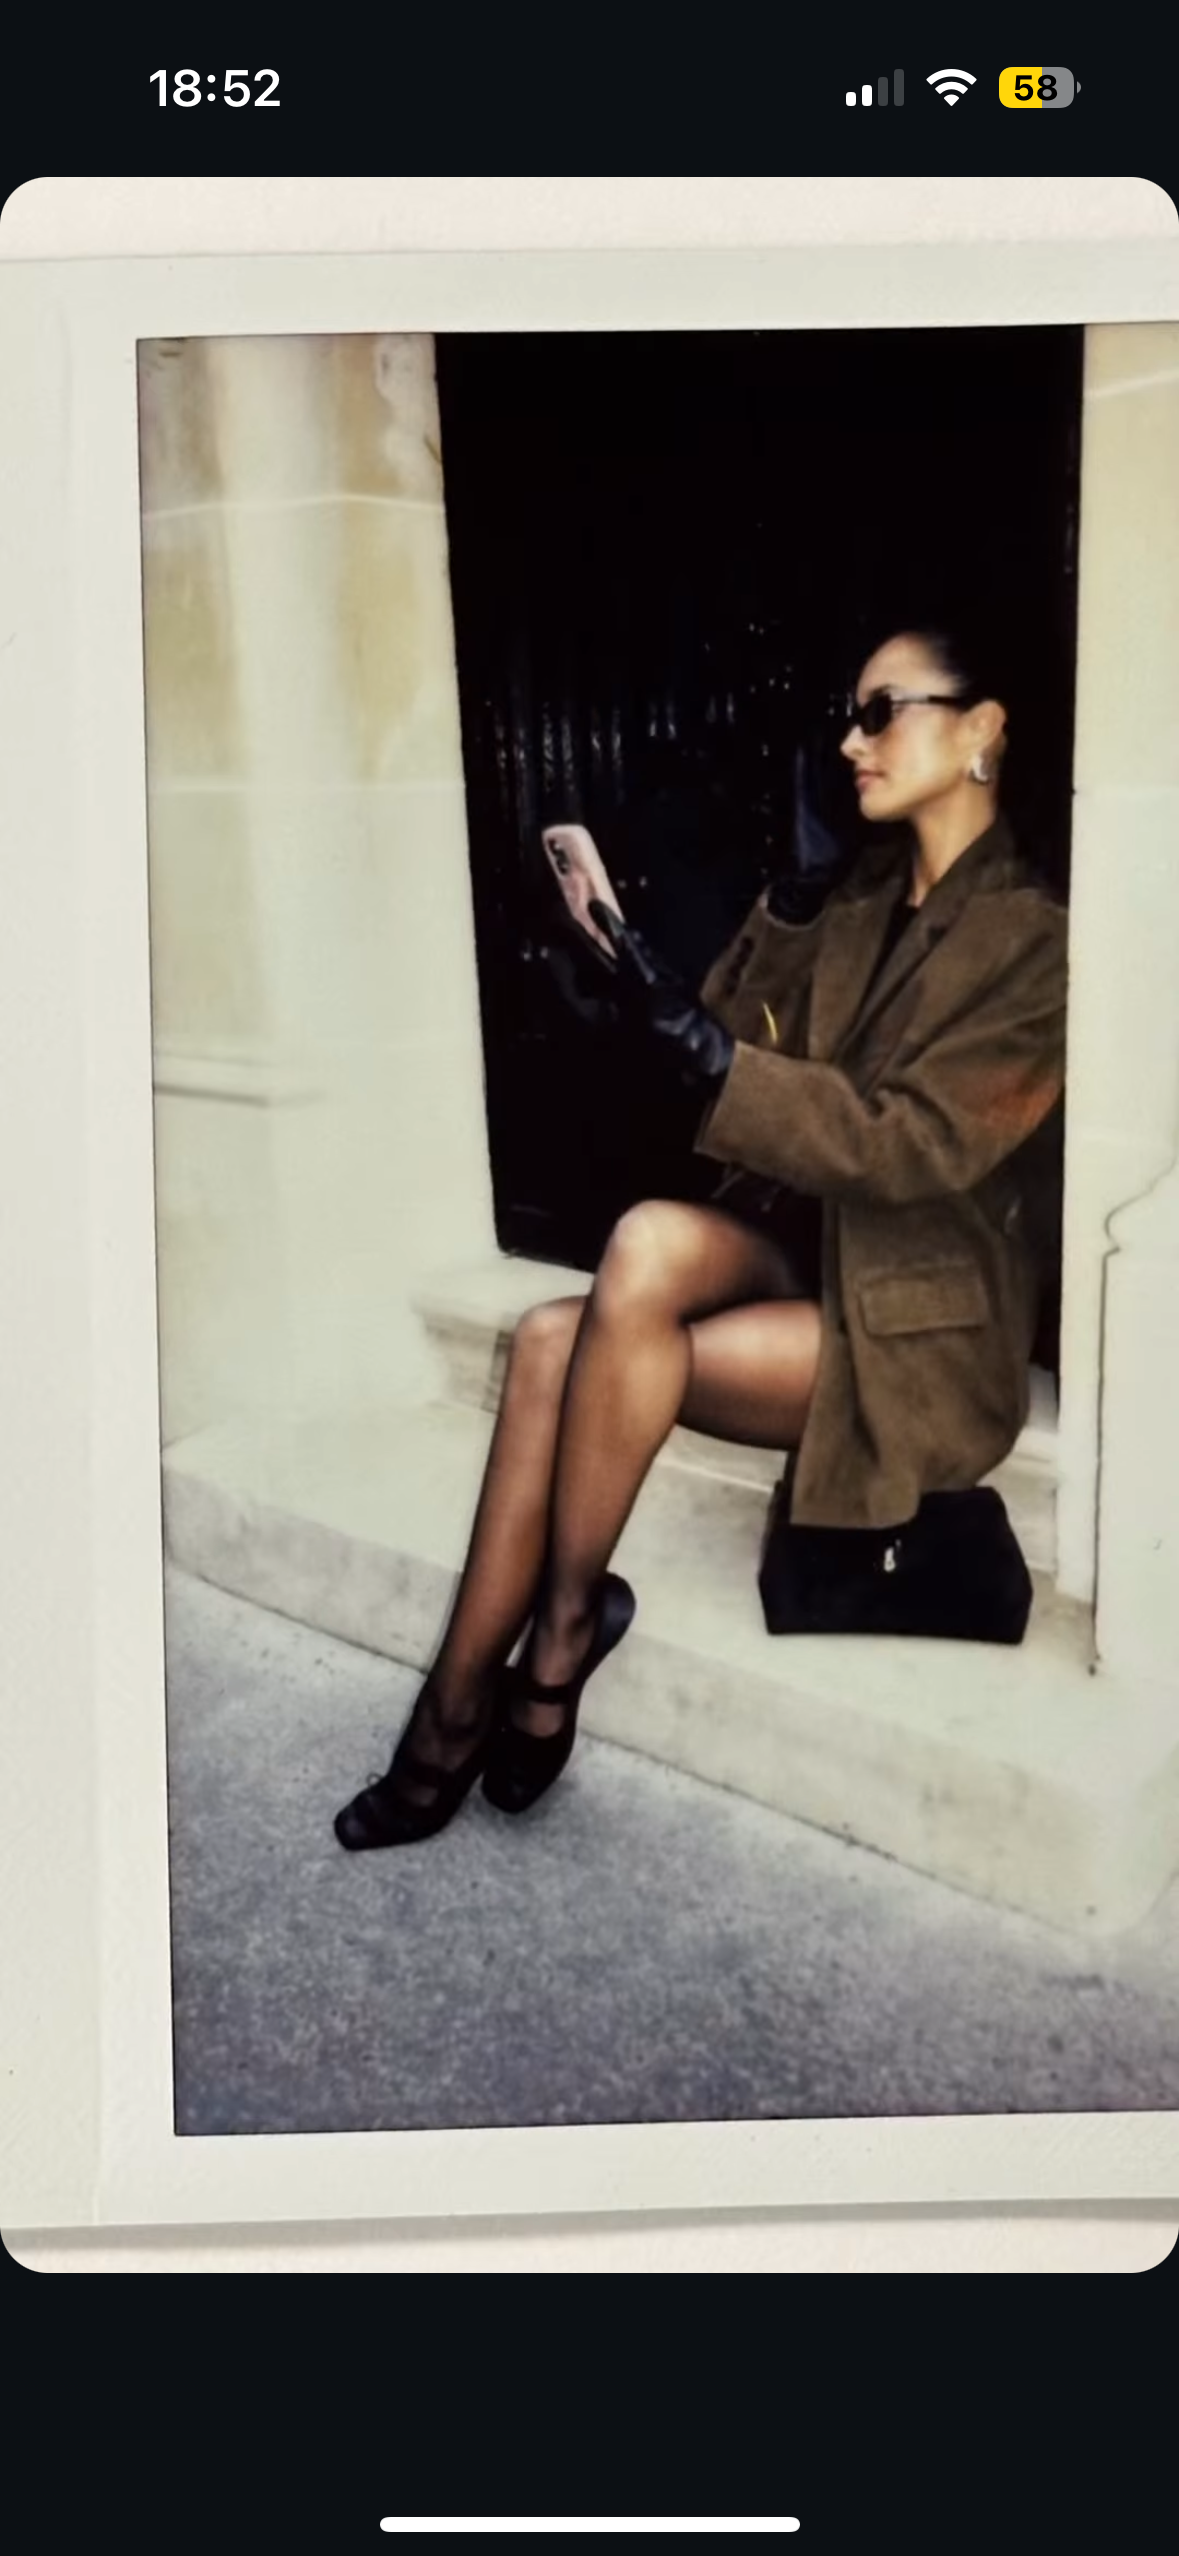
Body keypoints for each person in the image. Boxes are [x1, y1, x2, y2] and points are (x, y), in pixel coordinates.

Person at [334, 623, 1068, 1853]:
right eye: (849, 718)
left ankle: (505, 1679)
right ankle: (511, 1664)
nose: (852, 742)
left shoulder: (1032, 940)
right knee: (637, 1252)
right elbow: (729, 1033)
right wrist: (792, 902)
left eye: (880, 711)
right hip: (806, 1250)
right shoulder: (861, 896)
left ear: (981, 728)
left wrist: (719, 1059)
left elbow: (911, 1147)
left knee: (562, 1347)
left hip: (927, 1327)